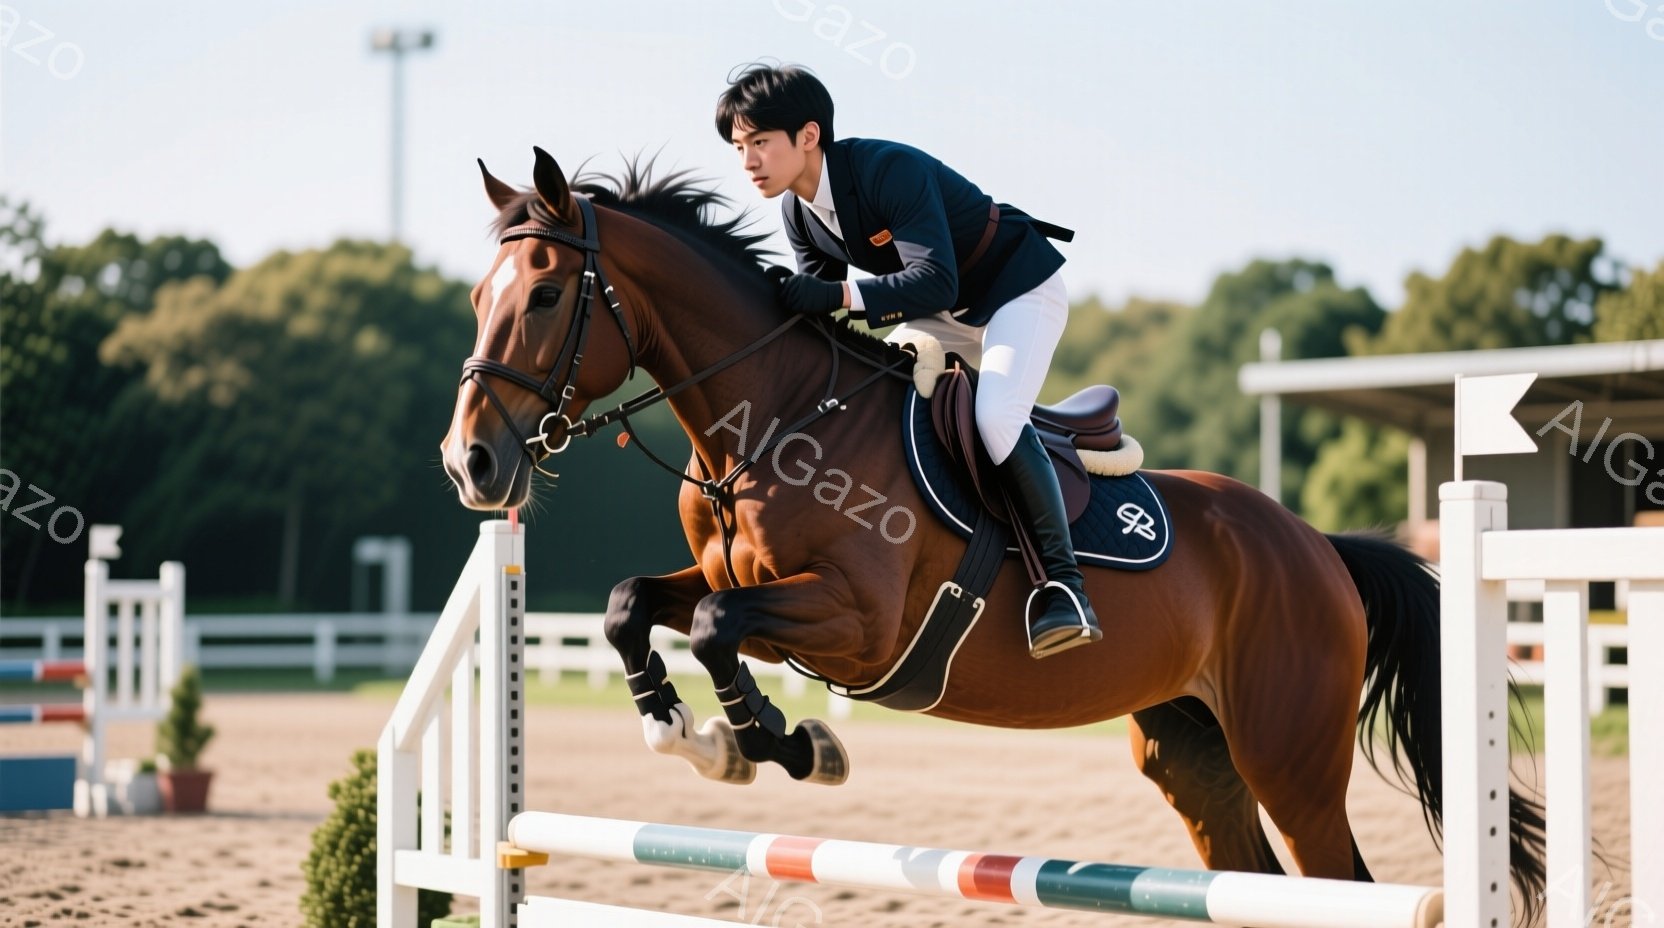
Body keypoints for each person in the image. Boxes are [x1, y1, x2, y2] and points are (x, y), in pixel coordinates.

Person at [715, 63, 1100, 659]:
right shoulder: (799, 212)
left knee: (996, 417)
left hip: (1016, 293)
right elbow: (819, 315)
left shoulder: (886, 171)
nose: (748, 162)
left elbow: (936, 281)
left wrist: (840, 294)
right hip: (940, 315)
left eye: (760, 143)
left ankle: (1063, 587)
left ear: (809, 136)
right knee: (881, 401)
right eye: (740, 147)